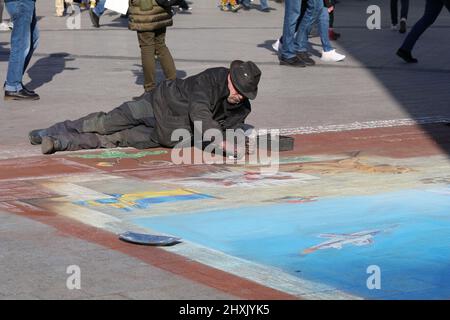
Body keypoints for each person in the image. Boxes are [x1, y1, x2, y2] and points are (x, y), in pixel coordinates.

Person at [28, 61, 262, 155]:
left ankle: (59, 142)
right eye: (237, 89)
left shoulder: (241, 107)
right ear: (230, 78)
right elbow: (199, 111)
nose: (239, 96)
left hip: (166, 133)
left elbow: (229, 128)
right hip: (155, 105)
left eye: (244, 94)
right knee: (105, 122)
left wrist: (239, 138)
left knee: (112, 139)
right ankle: (48, 131)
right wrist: (220, 141)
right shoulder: (211, 79)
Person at [129, 0, 177, 93]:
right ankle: (173, 82)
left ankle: (150, 87)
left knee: (147, 47)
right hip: (161, 9)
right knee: (161, 46)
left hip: (144, 10)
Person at [3, 0, 40, 101]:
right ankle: (13, 86)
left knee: (33, 39)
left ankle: (14, 80)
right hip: (20, 2)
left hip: (27, 2)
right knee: (21, 43)